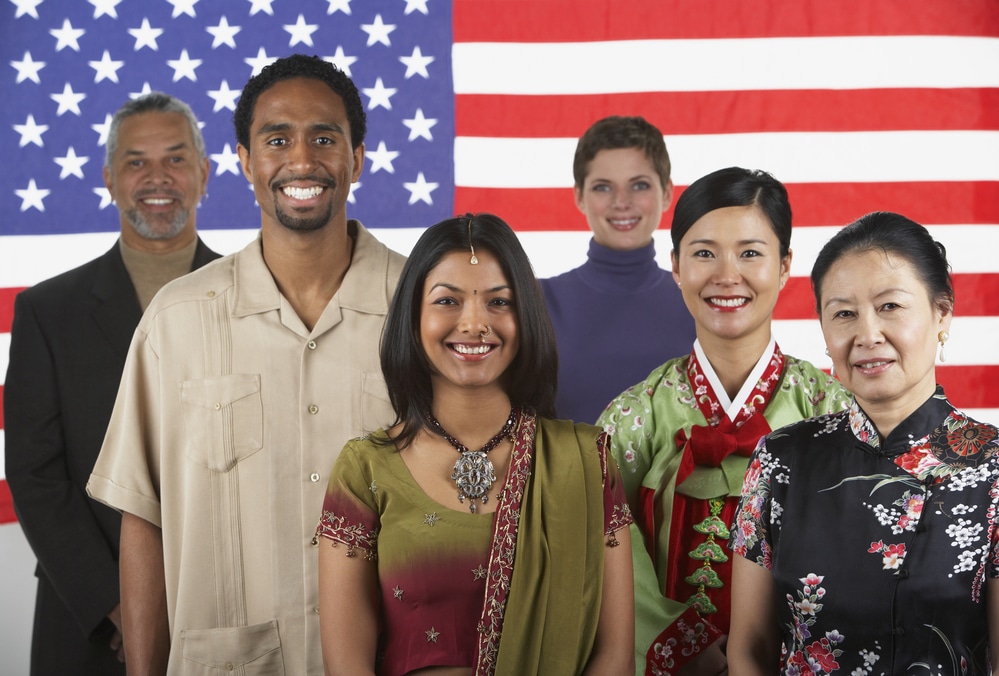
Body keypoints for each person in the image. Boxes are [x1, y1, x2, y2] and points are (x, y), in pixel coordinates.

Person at [87, 54, 406, 674]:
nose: (302, 160)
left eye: (325, 138)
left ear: (358, 158)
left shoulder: (424, 311)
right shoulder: (175, 321)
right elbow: (143, 521)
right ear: (244, 160)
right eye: (277, 138)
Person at [315, 213, 636, 675]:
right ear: (414, 316)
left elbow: (613, 657)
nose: (474, 323)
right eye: (448, 300)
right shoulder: (365, 469)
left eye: (498, 302)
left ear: (526, 316)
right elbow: (347, 666)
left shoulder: (585, 461)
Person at [597, 167, 852, 675]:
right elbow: (595, 538)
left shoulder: (833, 411)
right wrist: (678, 644)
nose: (726, 275)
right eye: (704, 253)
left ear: (784, 267)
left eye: (751, 253)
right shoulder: (635, 416)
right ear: (675, 266)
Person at [3, 92, 219, 676]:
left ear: (203, 173)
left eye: (175, 160)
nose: (158, 178)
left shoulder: (255, 299)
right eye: (136, 161)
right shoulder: (48, 313)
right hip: (87, 622)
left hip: (228, 611)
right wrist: (120, 606)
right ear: (109, 179)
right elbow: (35, 473)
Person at [729, 212, 999, 675]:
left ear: (942, 314)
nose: (867, 335)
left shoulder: (993, 466)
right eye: (844, 314)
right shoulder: (782, 460)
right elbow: (750, 648)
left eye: (890, 306)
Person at [541, 116, 695, 423]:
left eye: (639, 185)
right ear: (579, 196)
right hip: (567, 472)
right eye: (602, 187)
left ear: (666, 193)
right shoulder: (538, 301)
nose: (621, 202)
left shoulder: (699, 301)